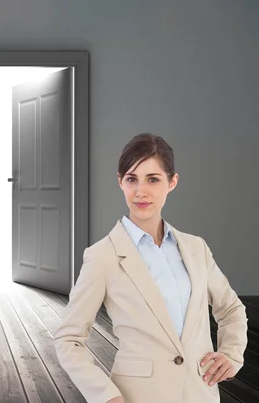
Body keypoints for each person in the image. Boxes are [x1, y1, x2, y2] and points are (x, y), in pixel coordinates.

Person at [54, 133, 248, 403]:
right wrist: (105, 396)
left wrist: (231, 354)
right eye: (132, 179)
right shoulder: (102, 256)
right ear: (120, 182)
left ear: (172, 182)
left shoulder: (196, 248)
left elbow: (230, 310)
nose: (140, 191)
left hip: (200, 393)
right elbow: (68, 339)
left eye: (153, 179)